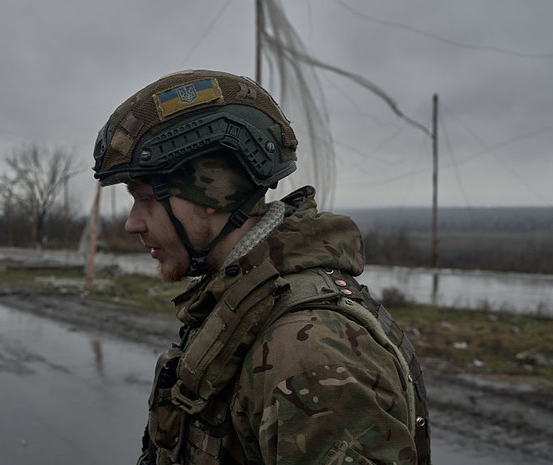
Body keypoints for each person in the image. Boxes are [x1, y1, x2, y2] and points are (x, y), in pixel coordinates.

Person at [92, 69, 430, 465]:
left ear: (212, 193)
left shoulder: (308, 351)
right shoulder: (243, 301)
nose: (133, 223)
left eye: (147, 199)